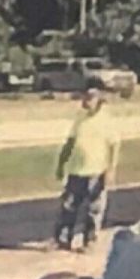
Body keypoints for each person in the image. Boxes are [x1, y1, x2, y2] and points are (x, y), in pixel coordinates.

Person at [54, 82, 120, 251]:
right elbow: (70, 142)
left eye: (90, 98)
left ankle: (89, 241)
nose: (86, 101)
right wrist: (61, 163)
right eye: (85, 97)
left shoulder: (106, 119)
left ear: (99, 100)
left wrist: (111, 169)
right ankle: (63, 239)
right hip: (76, 170)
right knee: (69, 206)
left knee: (94, 209)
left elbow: (114, 145)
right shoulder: (80, 117)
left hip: (96, 171)